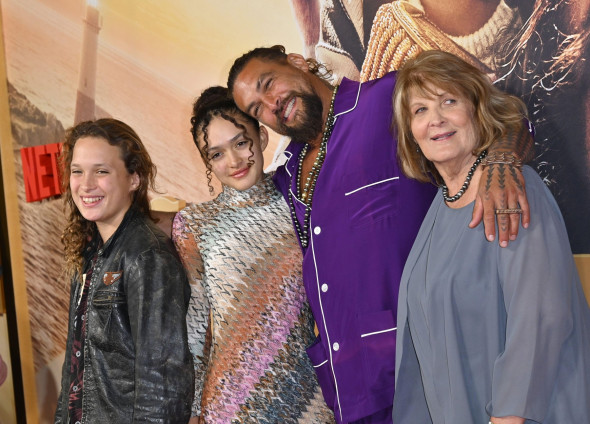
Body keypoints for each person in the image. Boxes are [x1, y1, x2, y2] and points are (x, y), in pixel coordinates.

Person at [227, 45, 533, 424]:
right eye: (257, 108)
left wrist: (502, 160)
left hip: (423, 370)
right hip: (350, 387)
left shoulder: (386, 98)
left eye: (268, 84)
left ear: (297, 62)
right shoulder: (287, 175)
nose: (272, 104)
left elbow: (506, 112)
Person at [392, 50, 590, 424]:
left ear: (477, 109)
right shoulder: (439, 208)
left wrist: (507, 417)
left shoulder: (511, 190)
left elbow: (540, 316)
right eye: (419, 110)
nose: (435, 119)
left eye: (449, 101)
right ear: (411, 133)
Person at [172, 86, 335, 423]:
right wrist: (193, 412)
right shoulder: (194, 224)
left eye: (240, 143)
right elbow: (196, 324)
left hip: (309, 394)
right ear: (207, 162)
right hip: (228, 404)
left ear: (261, 137)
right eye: (216, 154)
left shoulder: (299, 198)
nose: (233, 162)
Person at [54, 118, 193, 423]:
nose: (86, 184)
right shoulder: (91, 251)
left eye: (101, 171)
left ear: (134, 179)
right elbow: (75, 368)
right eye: (77, 171)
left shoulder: (147, 255)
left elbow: (163, 385)